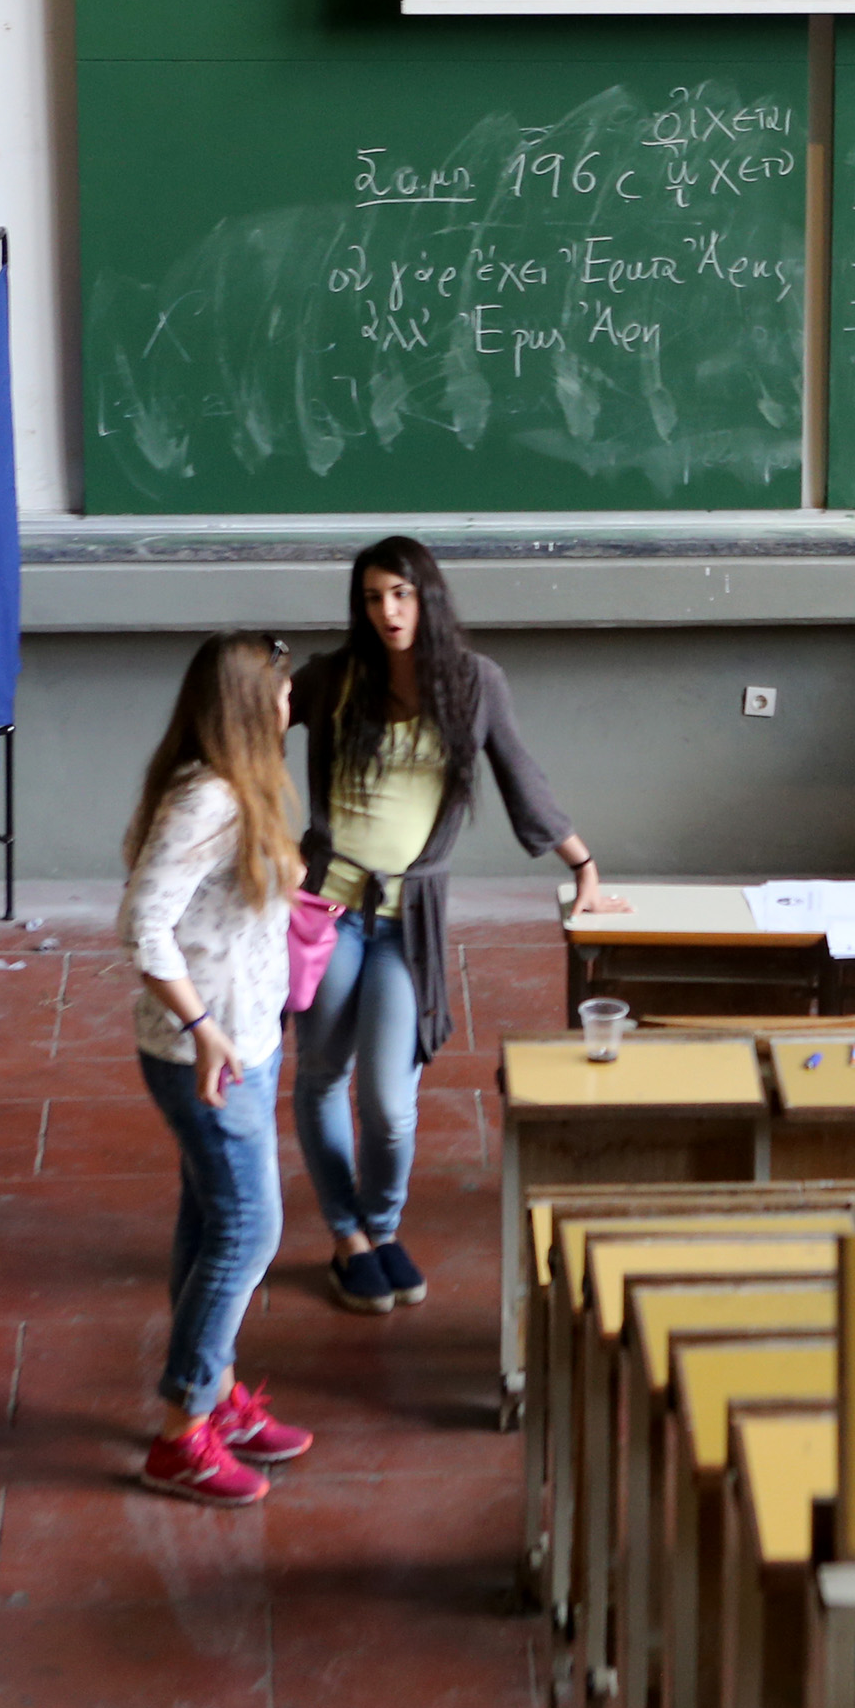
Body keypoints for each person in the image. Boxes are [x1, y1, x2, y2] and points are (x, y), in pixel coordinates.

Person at [289, 538, 625, 1316]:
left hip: (411, 923)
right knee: (320, 1077)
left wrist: (584, 865)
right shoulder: (334, 678)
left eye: (401, 595)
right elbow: (253, 718)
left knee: (390, 1101)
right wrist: (265, 834)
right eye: (373, 598)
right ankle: (348, 1236)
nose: (388, 612)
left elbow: (521, 778)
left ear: (428, 599)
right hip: (328, 913)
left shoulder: (473, 684)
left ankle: (381, 1222)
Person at [119, 632, 317, 1507]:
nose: (289, 704)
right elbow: (141, 924)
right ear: (248, 704)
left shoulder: (245, 785)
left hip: (245, 1039)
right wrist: (201, 1028)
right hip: (205, 1051)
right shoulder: (208, 799)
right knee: (249, 1230)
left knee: (209, 1221)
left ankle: (218, 1395)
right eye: (279, 691)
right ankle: (179, 1434)